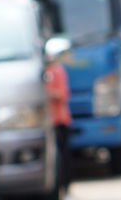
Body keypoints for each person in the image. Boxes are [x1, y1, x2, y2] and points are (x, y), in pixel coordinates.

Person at [44, 50, 73, 198]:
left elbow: (62, 94)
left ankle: (66, 187)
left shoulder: (57, 71)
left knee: (63, 157)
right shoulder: (44, 72)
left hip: (60, 120)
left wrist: (47, 93)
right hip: (49, 122)